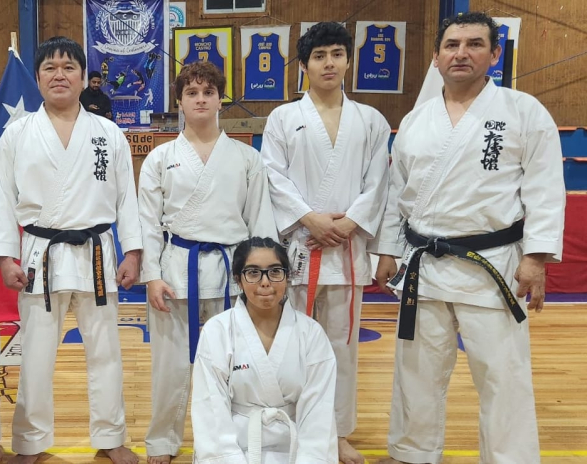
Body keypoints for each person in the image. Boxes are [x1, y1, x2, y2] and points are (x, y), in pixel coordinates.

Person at [373, 12, 565, 464]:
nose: (461, 53)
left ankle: (510, 458)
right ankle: (412, 453)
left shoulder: (523, 112)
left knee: (502, 375)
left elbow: (544, 187)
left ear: (495, 54)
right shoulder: (417, 120)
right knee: (416, 372)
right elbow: (396, 195)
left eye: (475, 44)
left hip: (492, 265)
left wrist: (536, 257)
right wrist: (387, 250)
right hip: (425, 265)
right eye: (452, 45)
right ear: (436, 57)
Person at [0, 36, 142, 464]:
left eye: (68, 67)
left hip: (97, 252)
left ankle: (111, 437)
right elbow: (0, 198)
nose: (59, 75)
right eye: (50, 68)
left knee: (106, 352)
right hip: (40, 253)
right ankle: (30, 442)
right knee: (36, 355)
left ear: (83, 77)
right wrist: (5, 256)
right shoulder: (17, 134)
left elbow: (126, 199)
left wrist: (133, 252)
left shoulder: (108, 133)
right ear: (38, 77)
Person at [259, 22, 390, 464]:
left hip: (346, 250)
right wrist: (309, 218)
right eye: (319, 56)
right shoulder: (283, 118)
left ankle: (336, 433)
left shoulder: (371, 121)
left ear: (349, 60)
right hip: (299, 247)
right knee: (290, 344)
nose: (328, 63)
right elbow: (272, 177)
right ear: (304, 65)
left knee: (341, 349)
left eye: (336, 54)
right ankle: (289, 425)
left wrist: (350, 222)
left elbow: (379, 182)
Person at [138, 61, 278, 464]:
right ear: (180, 102)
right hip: (176, 270)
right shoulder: (161, 158)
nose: (200, 99)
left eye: (208, 92)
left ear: (220, 100)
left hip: (232, 271)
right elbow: (148, 224)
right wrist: (152, 276)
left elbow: (259, 222)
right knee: (169, 367)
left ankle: (224, 444)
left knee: (233, 366)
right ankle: (162, 442)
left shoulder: (246, 157)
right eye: (191, 93)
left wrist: (261, 277)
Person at [191, 237, 338, 463]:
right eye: (253, 273)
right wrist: (230, 458)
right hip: (235, 445)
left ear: (287, 277)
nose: (265, 282)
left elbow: (319, 412)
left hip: (295, 446)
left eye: (275, 272)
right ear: (238, 280)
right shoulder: (218, 330)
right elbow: (210, 407)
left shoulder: (311, 333)